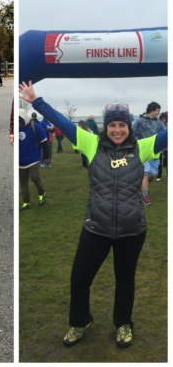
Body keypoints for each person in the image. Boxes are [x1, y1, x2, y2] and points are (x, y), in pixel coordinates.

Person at [20, 80, 167, 348]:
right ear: (105, 127)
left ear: (129, 126)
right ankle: (79, 321)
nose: (117, 129)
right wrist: (36, 101)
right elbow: (62, 122)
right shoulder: (91, 144)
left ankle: (123, 323)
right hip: (95, 228)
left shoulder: (142, 147)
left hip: (131, 230)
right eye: (112, 124)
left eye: (122, 124)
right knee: (79, 279)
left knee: (125, 280)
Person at [133, 101, 166, 205]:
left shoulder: (159, 122)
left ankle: (140, 186)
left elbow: (164, 134)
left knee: (153, 174)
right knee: (145, 173)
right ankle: (146, 197)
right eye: (158, 111)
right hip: (143, 150)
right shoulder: (140, 121)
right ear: (152, 110)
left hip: (155, 151)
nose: (159, 113)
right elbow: (132, 133)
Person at [18, 108, 49, 210]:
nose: (19, 124)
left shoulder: (34, 127)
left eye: (20, 121)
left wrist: (46, 157)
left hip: (33, 158)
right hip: (20, 160)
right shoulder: (16, 128)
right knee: (23, 182)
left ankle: (41, 194)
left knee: (35, 178)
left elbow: (44, 142)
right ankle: (26, 202)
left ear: (24, 119)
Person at [157, 111, 167, 181]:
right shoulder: (158, 125)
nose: (164, 119)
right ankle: (158, 176)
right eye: (163, 117)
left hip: (167, 146)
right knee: (159, 162)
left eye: (165, 118)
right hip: (160, 145)